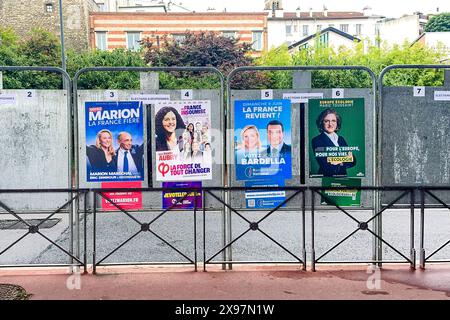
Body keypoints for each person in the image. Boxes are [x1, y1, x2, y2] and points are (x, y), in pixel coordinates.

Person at [311, 108, 356, 177]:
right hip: (327, 179)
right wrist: (345, 159)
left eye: (333, 121)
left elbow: (353, 161)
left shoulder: (341, 139)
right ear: (321, 123)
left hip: (343, 178)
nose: (330, 124)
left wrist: (337, 161)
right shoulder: (317, 140)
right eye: (326, 121)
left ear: (337, 123)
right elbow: (326, 165)